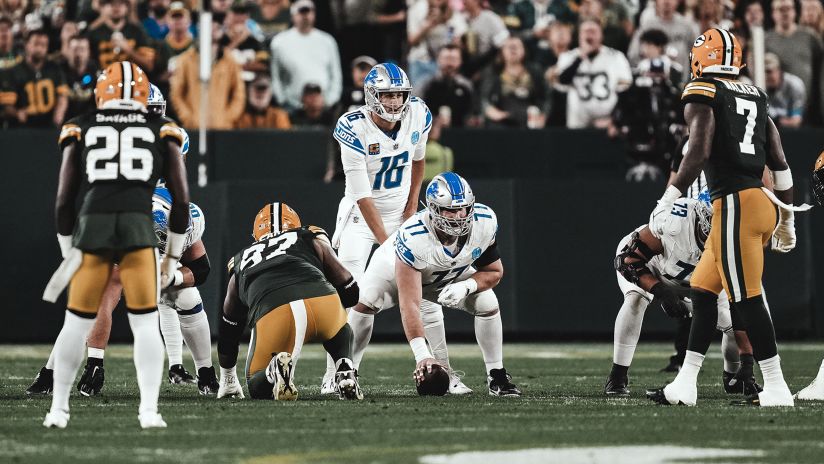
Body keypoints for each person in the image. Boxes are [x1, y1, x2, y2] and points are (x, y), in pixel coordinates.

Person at [646, 29, 802, 407]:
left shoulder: (703, 91)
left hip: (735, 205)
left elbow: (697, 151)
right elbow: (780, 164)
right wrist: (787, 217)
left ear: (701, 59)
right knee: (702, 291)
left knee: (746, 301)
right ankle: (684, 385)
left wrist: (668, 196)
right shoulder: (755, 95)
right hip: (759, 202)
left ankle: (777, 387)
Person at [42, 61, 189, 429]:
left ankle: (58, 409)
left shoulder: (81, 125)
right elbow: (182, 202)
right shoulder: (163, 127)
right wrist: (170, 256)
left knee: (76, 322)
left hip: (94, 229)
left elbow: (63, 201)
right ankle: (149, 411)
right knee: (145, 324)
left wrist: (67, 250)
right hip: (138, 230)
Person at [326, 63, 469, 396]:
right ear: (372, 96)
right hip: (361, 220)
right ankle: (339, 373)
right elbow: (362, 195)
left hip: (401, 214)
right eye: (387, 95)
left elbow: (418, 163)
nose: (393, 102)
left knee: (429, 297)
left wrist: (409, 211)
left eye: (398, 95)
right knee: (352, 296)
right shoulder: (353, 126)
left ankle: (444, 371)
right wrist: (389, 243)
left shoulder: (418, 114)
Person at [350, 173, 521, 397]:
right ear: (433, 208)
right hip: (392, 269)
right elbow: (410, 304)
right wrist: (422, 355)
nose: (459, 216)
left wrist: (467, 286)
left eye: (463, 208)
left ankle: (496, 375)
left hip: (444, 274)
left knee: (487, 301)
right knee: (367, 299)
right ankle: (347, 370)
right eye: (450, 210)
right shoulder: (414, 237)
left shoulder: (484, 221)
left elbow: (494, 272)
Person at [608, 197, 760, 396]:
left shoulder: (736, 239)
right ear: (703, 218)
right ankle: (617, 377)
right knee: (636, 299)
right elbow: (629, 260)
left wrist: (747, 362)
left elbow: (739, 304)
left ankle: (733, 378)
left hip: (694, 282)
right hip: (653, 268)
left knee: (733, 325)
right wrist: (660, 291)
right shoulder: (675, 220)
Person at [216, 203, 362, 401]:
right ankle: (344, 364)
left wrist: (228, 377)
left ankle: (272, 372)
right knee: (341, 328)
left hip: (275, 311)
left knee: (256, 384)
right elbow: (350, 290)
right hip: (323, 302)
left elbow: (228, 329)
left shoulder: (241, 260)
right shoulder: (308, 235)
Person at [551, 19, 631, 129]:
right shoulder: (568, 57)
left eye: (593, 31)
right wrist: (580, 58)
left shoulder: (616, 57)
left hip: (608, 124)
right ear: (579, 36)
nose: (589, 36)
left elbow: (625, 92)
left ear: (601, 35)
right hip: (578, 124)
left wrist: (614, 119)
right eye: (586, 32)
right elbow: (563, 81)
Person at [170, 20, 246, 128]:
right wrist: (188, 118)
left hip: (222, 128)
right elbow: (176, 94)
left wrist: (227, 118)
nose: (213, 30)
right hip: (194, 128)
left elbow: (239, 94)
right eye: (210, 26)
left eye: (217, 26)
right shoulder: (185, 60)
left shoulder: (230, 61)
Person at [269, 0, 341, 111]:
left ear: (314, 14)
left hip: (324, 107)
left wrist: (330, 101)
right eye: (301, 12)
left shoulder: (328, 41)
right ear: (293, 15)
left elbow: (336, 75)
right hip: (292, 107)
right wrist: (282, 101)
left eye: (309, 12)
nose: (305, 16)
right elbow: (275, 77)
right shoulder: (279, 42)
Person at [766, 0, 823, 123]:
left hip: (809, 109)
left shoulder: (810, 37)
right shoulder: (766, 39)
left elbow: (820, 67)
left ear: (795, 11)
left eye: (788, 8)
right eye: (780, 9)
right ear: (773, 13)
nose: (785, 13)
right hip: (778, 111)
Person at [481, 36, 546, 128]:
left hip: (530, 119)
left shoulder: (535, 71)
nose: (513, 49)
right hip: (503, 120)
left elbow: (545, 97)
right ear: (502, 52)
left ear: (524, 50)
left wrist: (543, 114)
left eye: (517, 46)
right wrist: (489, 110)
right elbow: (484, 99)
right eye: (509, 47)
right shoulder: (494, 73)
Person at [9, 29, 68, 127]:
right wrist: (16, 113)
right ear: (26, 45)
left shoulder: (54, 68)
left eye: (43, 45)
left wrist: (59, 114)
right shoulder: (15, 70)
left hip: (49, 125)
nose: (40, 48)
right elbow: (6, 105)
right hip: (23, 127)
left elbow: (62, 96)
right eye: (36, 44)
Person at [406, 0, 467, 90]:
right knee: (418, 98)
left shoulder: (453, 14)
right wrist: (429, 24)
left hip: (443, 65)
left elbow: (460, 41)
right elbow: (412, 40)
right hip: (419, 61)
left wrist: (446, 21)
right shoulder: (417, 9)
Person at [85, 0, 155, 72]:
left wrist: (129, 50)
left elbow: (149, 65)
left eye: (121, 3)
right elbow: (85, 64)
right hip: (102, 79)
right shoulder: (94, 34)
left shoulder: (138, 32)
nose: (116, 7)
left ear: (127, 7)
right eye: (111, 3)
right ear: (102, 7)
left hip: (131, 80)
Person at [422, 44, 476, 128]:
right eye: (446, 58)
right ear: (438, 60)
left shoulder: (466, 86)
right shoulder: (427, 84)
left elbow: (472, 112)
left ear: (461, 61)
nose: (450, 63)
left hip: (460, 132)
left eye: (454, 59)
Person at [764, 53, 806, 129]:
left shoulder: (795, 85)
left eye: (769, 71)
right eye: (763, 72)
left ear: (778, 70)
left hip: (789, 131)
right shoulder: (760, 84)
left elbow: (796, 121)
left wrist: (777, 122)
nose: (766, 76)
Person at [61, 35, 98, 120]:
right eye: (75, 50)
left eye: (82, 49)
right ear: (67, 51)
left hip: (89, 121)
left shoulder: (96, 71)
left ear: (89, 52)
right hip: (65, 122)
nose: (78, 54)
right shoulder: (58, 70)